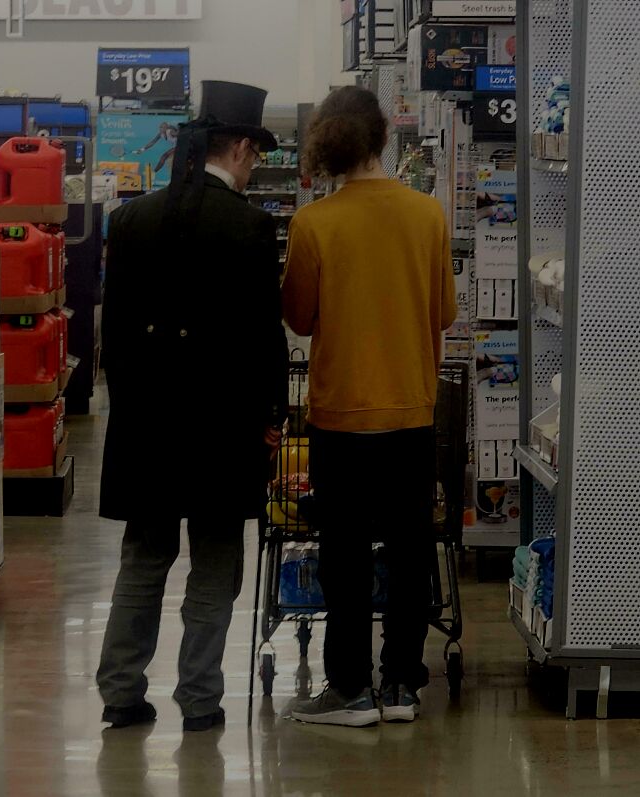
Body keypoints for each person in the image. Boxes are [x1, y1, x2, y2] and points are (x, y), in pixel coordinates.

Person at [97, 81, 289, 732]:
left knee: (143, 557)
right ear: (238, 147)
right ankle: (200, 697)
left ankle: (121, 692)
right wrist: (271, 415)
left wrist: (132, 410)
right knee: (214, 560)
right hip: (222, 429)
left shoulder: (130, 220)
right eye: (255, 153)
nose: (255, 165)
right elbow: (267, 337)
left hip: (146, 426)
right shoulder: (251, 227)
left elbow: (113, 339)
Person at [282, 86, 457, 727]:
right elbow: (443, 313)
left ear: (327, 141)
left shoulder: (314, 223)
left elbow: (298, 318)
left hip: (341, 413)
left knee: (345, 553)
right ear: (384, 137)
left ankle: (350, 688)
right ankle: (405, 683)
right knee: (412, 551)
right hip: (412, 408)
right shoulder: (428, 215)